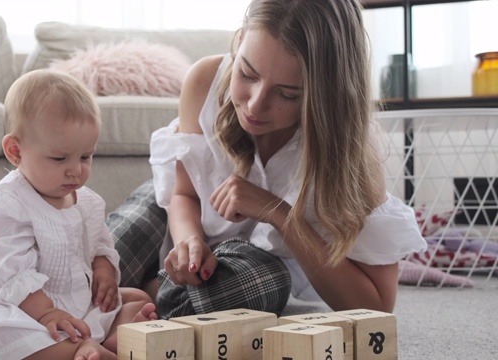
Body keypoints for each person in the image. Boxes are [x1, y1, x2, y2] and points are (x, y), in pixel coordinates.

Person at [110, 0, 427, 319]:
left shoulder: (351, 148)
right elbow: (182, 193)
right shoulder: (204, 81)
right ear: (240, 38)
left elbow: (376, 306)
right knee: (107, 255)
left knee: (263, 281)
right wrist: (189, 241)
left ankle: (131, 301)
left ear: (325, 94)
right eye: (246, 73)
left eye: (288, 94)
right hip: (175, 220)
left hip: (243, 266)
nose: (255, 106)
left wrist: (279, 215)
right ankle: (125, 305)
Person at [0, 69, 157, 360]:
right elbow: (11, 273)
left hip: (74, 302)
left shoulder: (86, 202)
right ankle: (79, 349)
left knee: (137, 299)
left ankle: (104, 342)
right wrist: (47, 313)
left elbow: (99, 244)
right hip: (21, 305)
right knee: (0, 334)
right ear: (15, 151)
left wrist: (104, 269)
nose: (76, 169)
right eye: (60, 158)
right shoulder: (6, 204)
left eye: (86, 156)